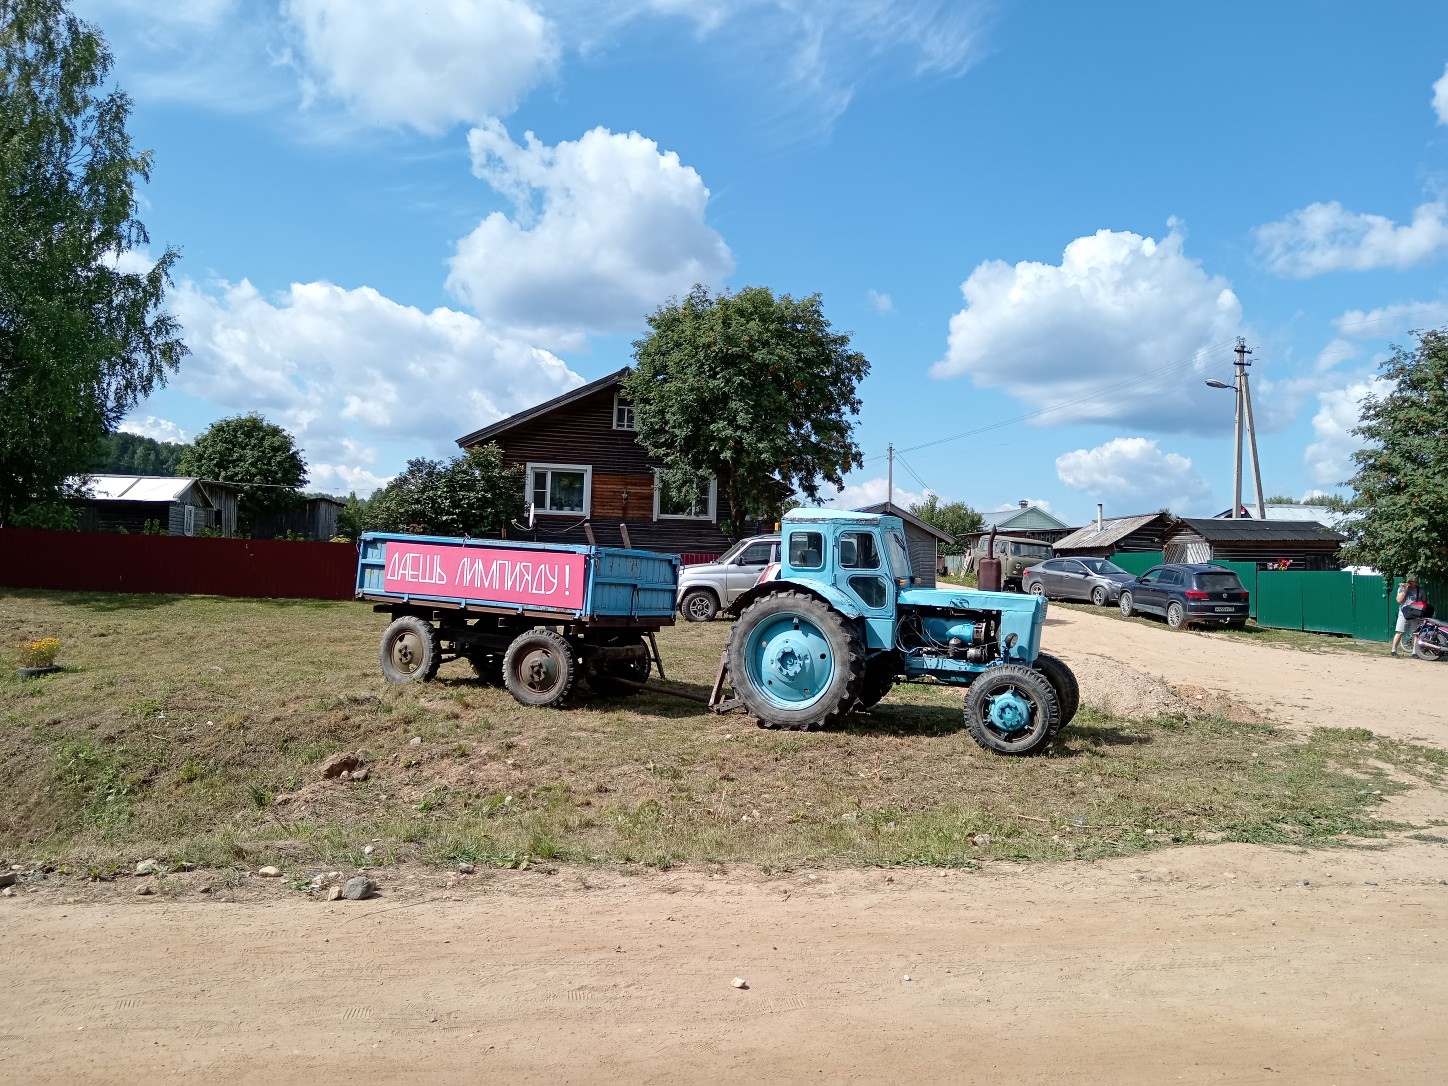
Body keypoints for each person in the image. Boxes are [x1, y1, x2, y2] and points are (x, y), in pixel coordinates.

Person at [1390, 574, 1427, 658]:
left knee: (1415, 633)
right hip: (1404, 613)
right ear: (1410, 581)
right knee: (1400, 632)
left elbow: (1424, 602)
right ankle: (1393, 650)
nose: (1416, 582)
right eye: (1414, 581)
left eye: (1416, 581)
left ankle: (1414, 652)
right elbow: (1399, 600)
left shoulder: (1420, 590)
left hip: (1415, 613)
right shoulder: (1402, 588)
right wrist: (1406, 589)